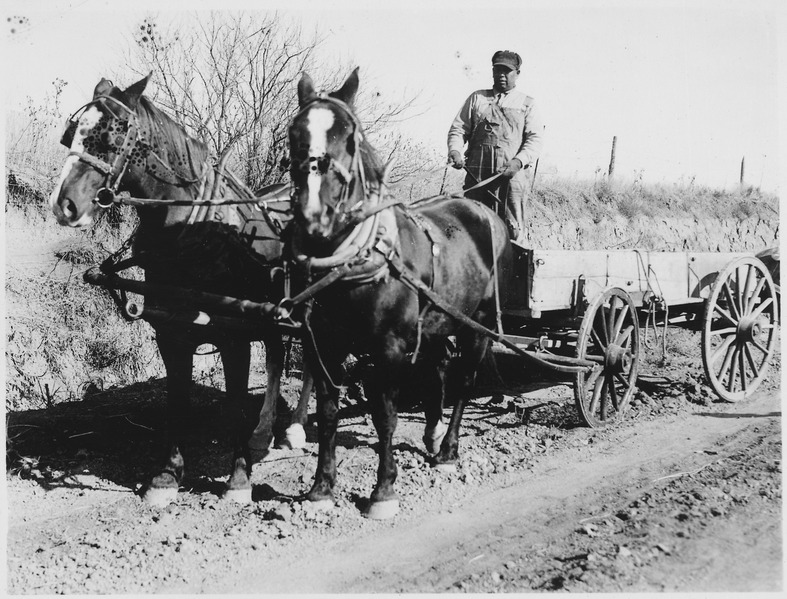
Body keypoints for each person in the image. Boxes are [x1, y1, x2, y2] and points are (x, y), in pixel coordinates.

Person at [447, 50, 543, 241]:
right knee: (473, 228)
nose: (501, 75)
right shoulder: (477, 98)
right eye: (497, 70)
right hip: (477, 177)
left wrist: (517, 162)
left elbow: (535, 140)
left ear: (517, 73)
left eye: (507, 71)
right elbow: (458, 129)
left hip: (510, 179)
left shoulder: (527, 104)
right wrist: (455, 150)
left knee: (513, 232)